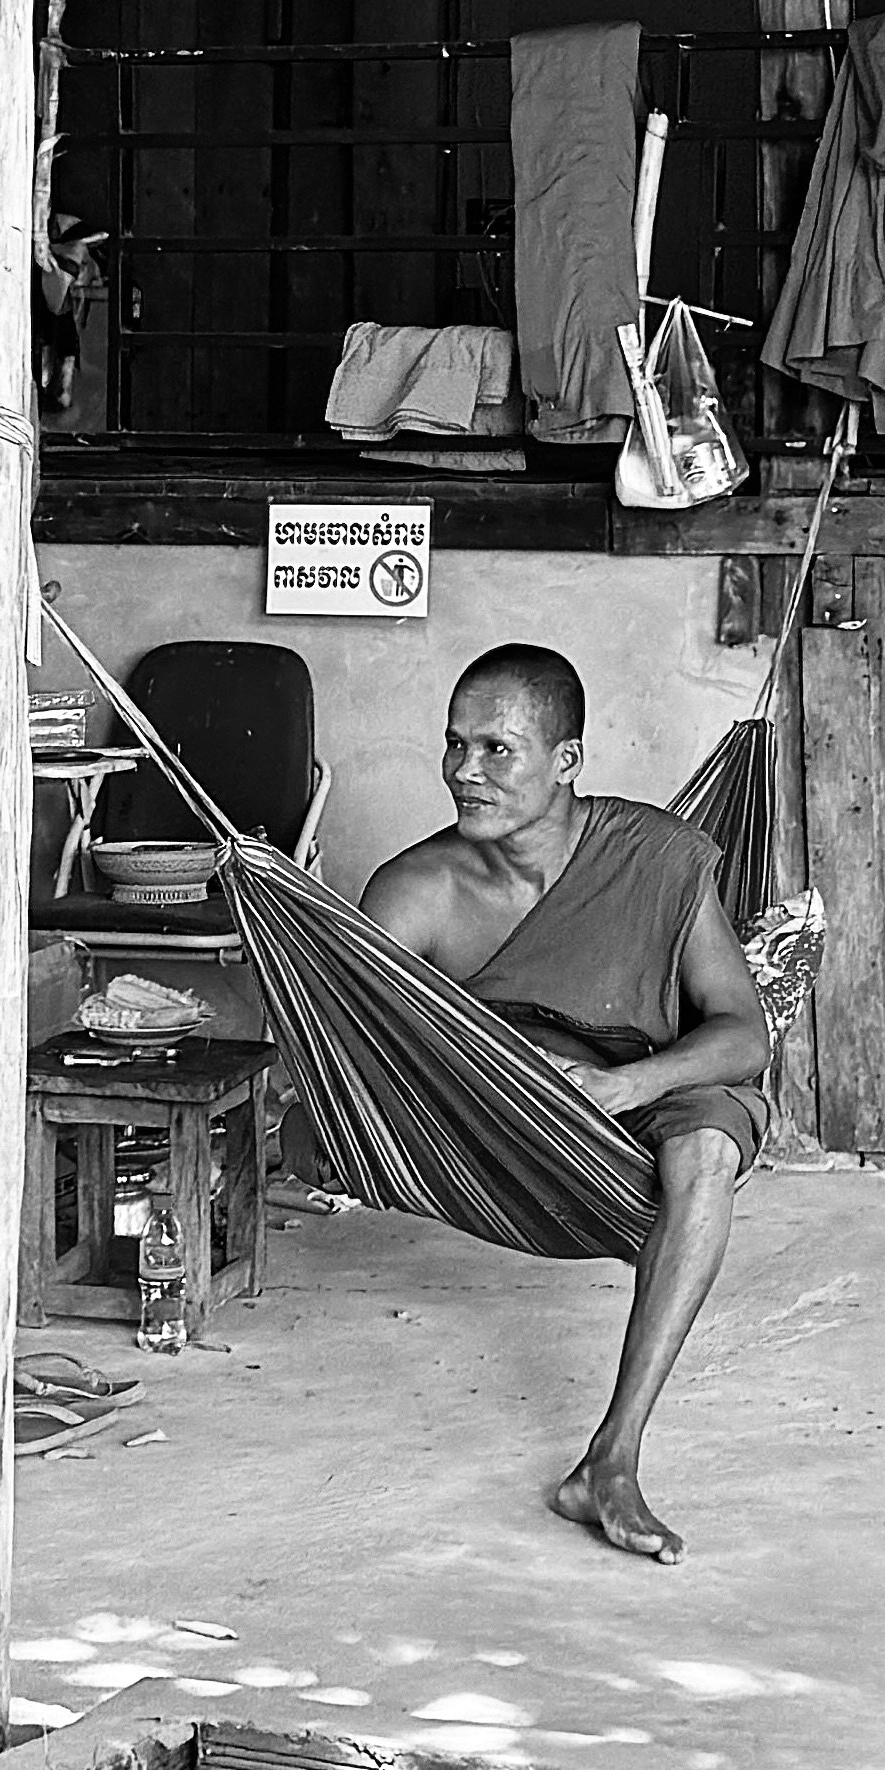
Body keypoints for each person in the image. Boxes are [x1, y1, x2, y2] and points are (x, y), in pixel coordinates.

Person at [361, 646, 768, 1563]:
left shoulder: (654, 858)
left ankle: (610, 1461)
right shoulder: (415, 893)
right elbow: (370, 1047)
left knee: (706, 1149)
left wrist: (628, 1085)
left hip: (647, 1087)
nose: (465, 772)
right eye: (454, 745)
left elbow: (744, 1034)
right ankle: (606, 1472)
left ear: (567, 761)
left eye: (497, 750)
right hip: (512, 1118)